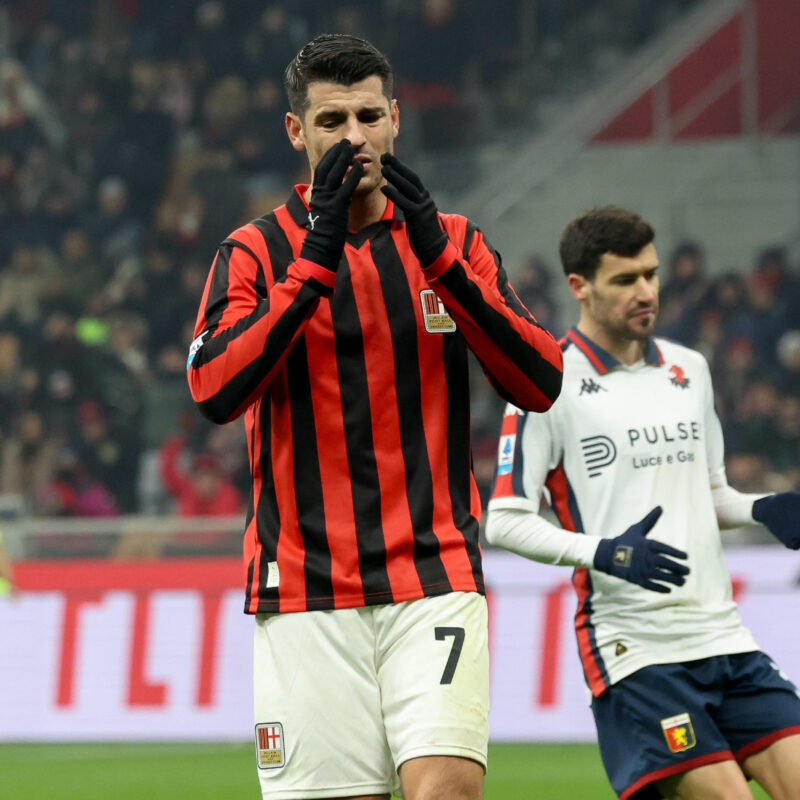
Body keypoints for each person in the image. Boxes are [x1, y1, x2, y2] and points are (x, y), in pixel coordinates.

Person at [186, 34, 563, 800]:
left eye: (366, 116)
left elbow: (541, 379)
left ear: (395, 121)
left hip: (433, 574)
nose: (352, 137)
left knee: (446, 787)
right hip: (303, 585)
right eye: (331, 120)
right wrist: (318, 254)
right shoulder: (255, 252)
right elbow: (214, 390)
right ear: (298, 133)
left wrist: (440, 260)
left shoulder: (453, 242)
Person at [485, 205, 800, 800]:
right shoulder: (542, 383)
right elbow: (504, 520)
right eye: (625, 279)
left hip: (724, 637)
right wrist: (606, 553)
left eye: (650, 274)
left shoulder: (690, 369)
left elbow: (711, 494)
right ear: (579, 286)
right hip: (635, 652)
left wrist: (762, 509)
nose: (646, 291)